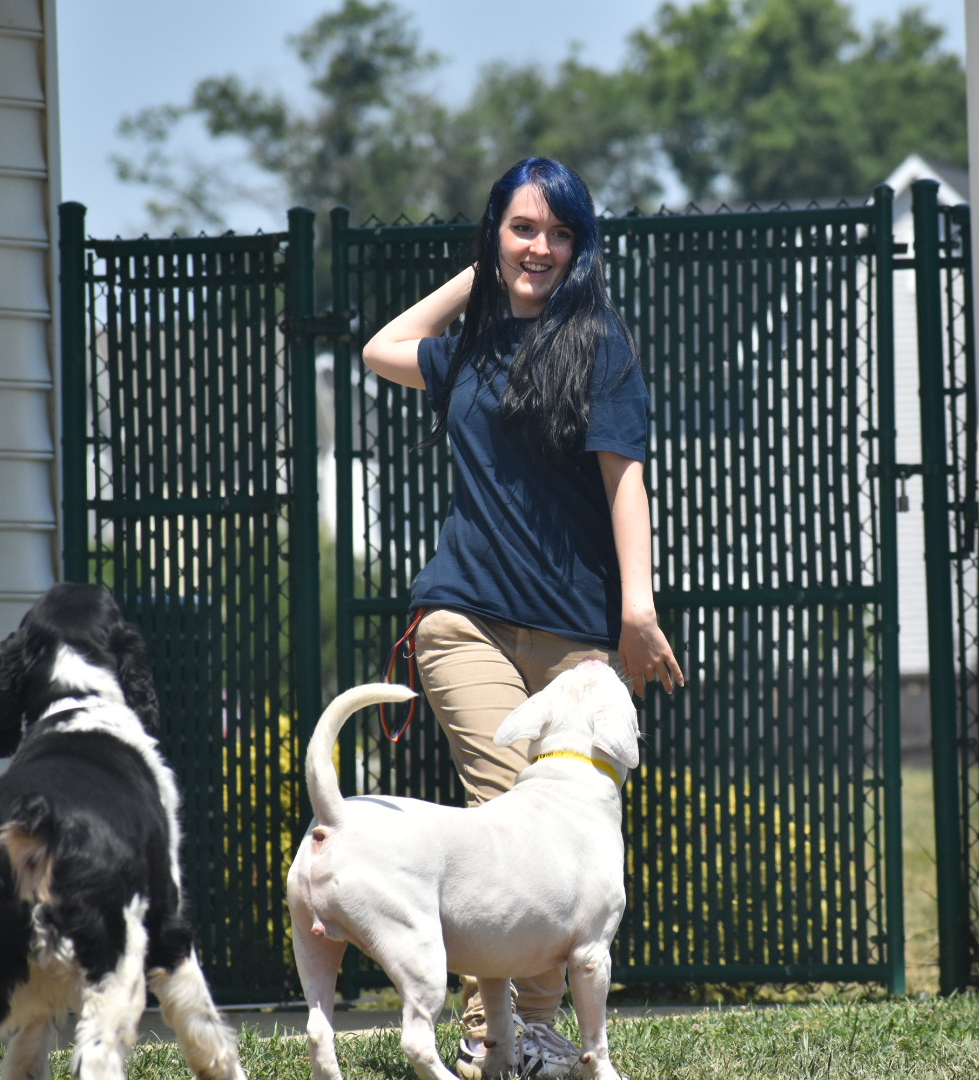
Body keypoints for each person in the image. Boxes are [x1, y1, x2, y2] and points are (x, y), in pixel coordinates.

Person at [361, 157, 685, 1079]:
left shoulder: (599, 344)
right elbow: (381, 347)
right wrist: (479, 276)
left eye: (559, 233)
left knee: (554, 835)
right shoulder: (466, 347)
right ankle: (497, 1034)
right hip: (460, 616)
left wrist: (636, 608)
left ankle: (527, 1033)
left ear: (581, 245)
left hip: (576, 636)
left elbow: (626, 480)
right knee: (504, 802)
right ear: (496, 232)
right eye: (522, 229)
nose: (541, 247)